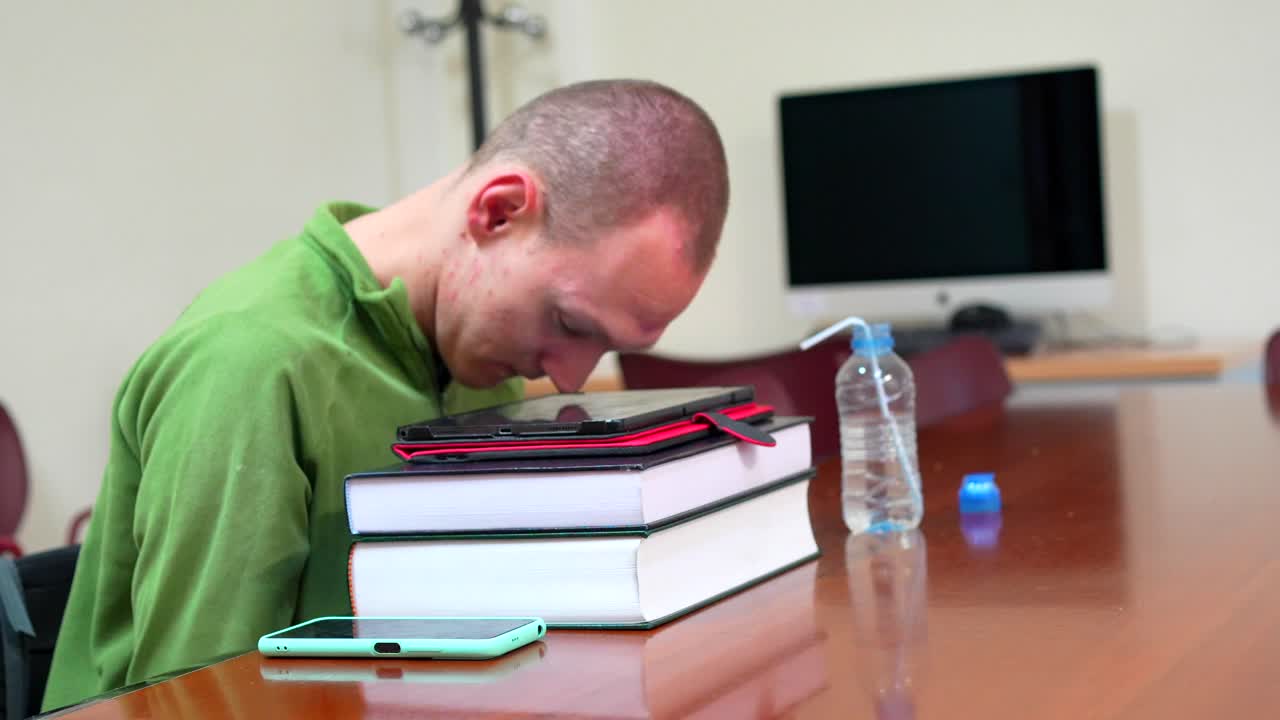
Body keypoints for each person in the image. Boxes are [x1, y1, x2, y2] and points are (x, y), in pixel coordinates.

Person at [42, 78, 729, 710]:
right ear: (498, 212)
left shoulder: (470, 352)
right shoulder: (251, 364)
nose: (571, 377)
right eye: (569, 324)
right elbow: (199, 701)